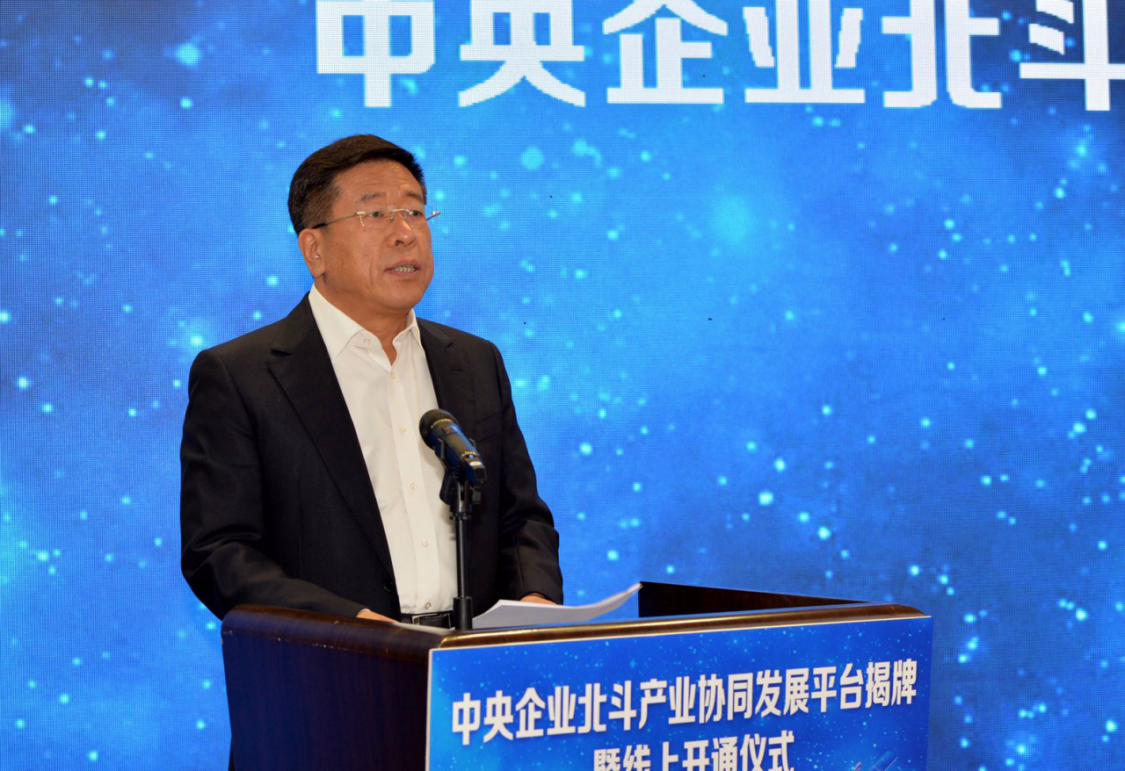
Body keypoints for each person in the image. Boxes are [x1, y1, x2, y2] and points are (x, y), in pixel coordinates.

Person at [180, 134, 563, 628]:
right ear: (314, 249)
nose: (405, 233)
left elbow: (520, 516)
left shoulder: (474, 361)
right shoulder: (242, 376)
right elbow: (220, 552)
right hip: (336, 659)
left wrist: (534, 599)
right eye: (375, 214)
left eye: (415, 212)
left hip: (471, 659)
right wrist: (350, 626)